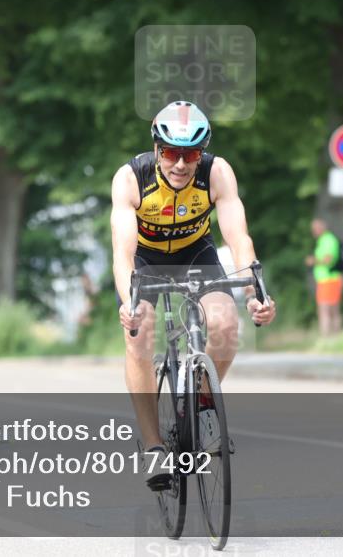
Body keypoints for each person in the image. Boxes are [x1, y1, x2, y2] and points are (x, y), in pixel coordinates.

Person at [111, 101, 276, 490]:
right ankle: (152, 446)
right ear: (156, 149)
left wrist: (256, 293)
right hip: (147, 260)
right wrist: (129, 305)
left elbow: (238, 238)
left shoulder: (216, 173)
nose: (181, 164)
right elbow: (123, 254)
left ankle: (201, 404)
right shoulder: (130, 178)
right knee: (140, 333)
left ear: (202, 153)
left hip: (194, 254)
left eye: (191, 154)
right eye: (171, 153)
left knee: (224, 323)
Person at [306, 219, 342, 337]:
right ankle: (333, 338)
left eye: (315, 229)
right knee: (330, 310)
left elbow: (328, 259)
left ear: (322, 228)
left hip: (329, 280)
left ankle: (327, 338)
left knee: (325, 310)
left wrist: (313, 261)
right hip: (326, 280)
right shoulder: (323, 240)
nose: (313, 232)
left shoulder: (328, 240)